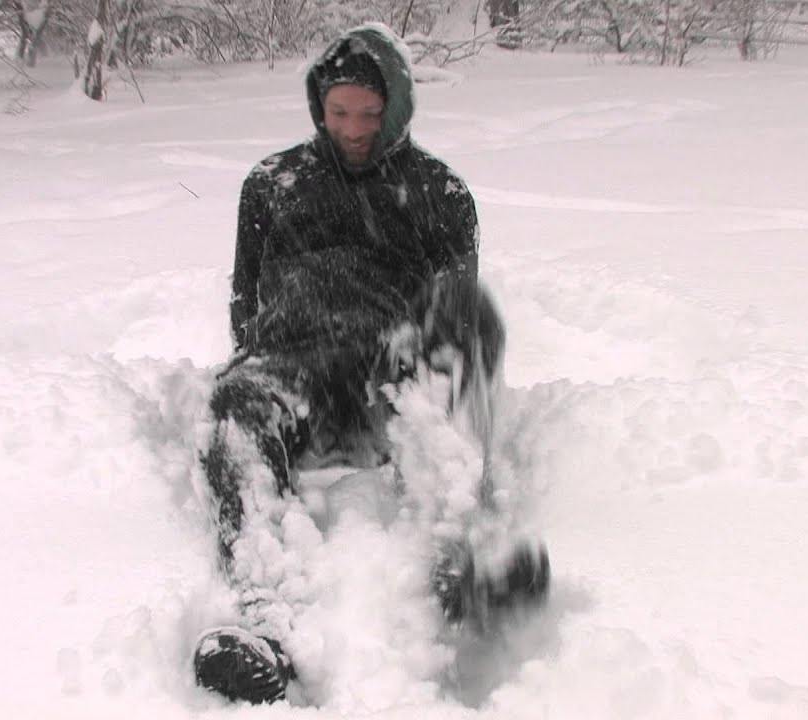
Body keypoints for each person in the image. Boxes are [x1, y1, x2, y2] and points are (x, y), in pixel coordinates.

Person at [192, 24, 549, 705]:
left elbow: (454, 314)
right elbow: (246, 299)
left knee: (468, 307)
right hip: (294, 363)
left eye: (370, 113)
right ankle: (268, 620)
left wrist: (421, 340)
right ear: (318, 107)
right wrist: (274, 351)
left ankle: (465, 554)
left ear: (398, 108)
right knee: (235, 407)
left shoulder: (441, 194)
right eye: (339, 112)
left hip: (391, 371)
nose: (353, 129)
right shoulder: (272, 185)